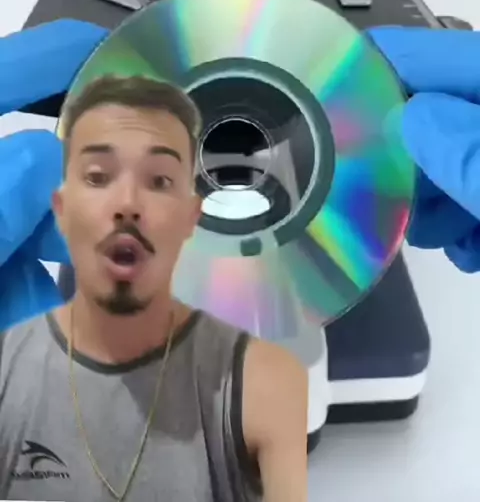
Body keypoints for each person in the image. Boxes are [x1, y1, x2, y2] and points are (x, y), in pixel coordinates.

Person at [0, 58, 308, 502]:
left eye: (159, 180)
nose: (127, 202)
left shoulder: (267, 379)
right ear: (61, 206)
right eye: (98, 176)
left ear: (193, 214)